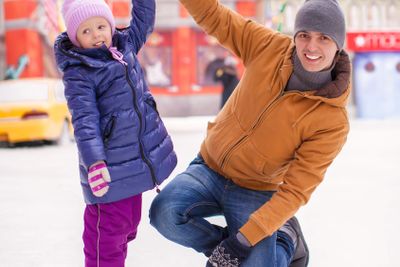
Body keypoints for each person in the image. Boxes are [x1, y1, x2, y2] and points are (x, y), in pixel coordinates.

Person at [149, 0, 350, 266]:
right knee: (164, 213)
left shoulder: (332, 120)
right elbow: (215, 16)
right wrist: (230, 249)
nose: (311, 46)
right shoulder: (269, 47)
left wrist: (243, 241)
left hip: (257, 189)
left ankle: (286, 239)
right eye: (304, 35)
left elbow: (295, 191)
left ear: (337, 44)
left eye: (323, 38)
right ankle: (230, 256)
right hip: (209, 168)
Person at [54, 0, 177, 266]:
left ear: (111, 26)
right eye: (86, 31)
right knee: (106, 239)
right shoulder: (79, 72)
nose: (97, 34)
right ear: (75, 39)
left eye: (101, 26)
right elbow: (84, 121)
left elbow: (144, 20)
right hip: (108, 170)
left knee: (126, 230)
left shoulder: (125, 46)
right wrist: (95, 162)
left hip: (133, 165)